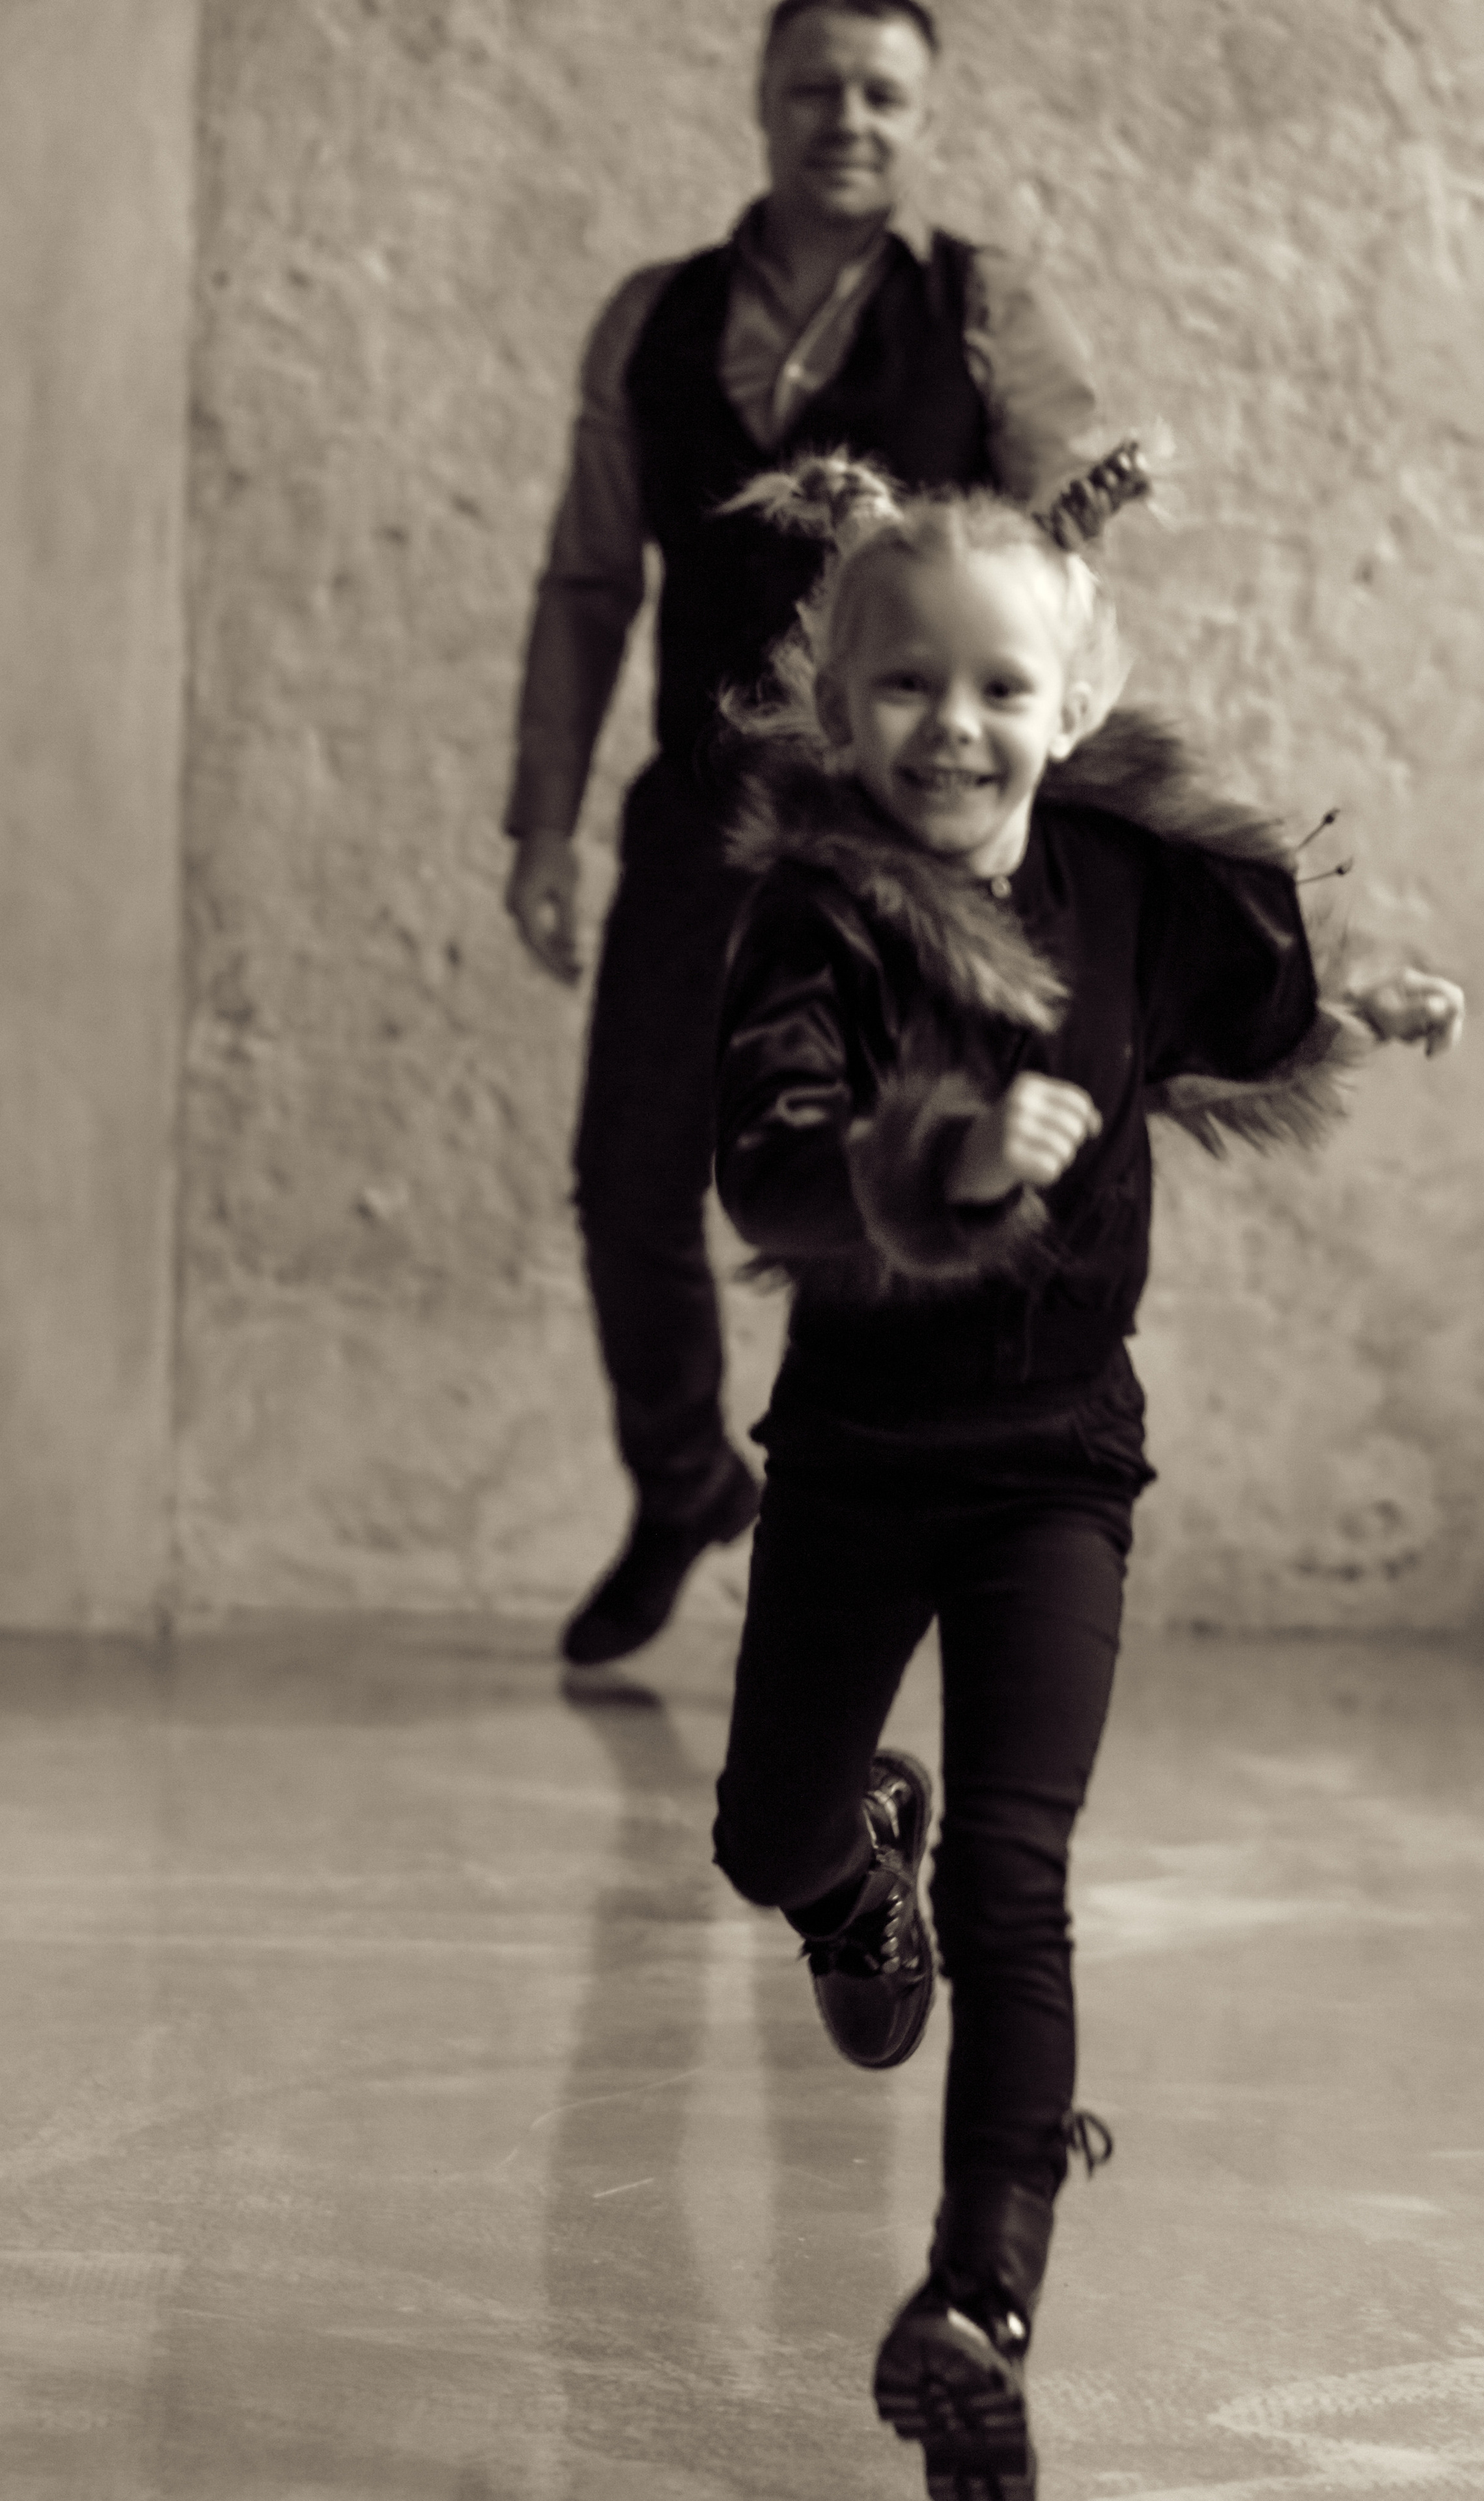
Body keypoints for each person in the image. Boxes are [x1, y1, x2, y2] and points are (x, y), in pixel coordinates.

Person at [707, 445, 1465, 2497]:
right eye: (903, 689)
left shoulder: (1130, 884)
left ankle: (978, 2305)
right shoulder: (818, 920)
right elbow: (772, 1165)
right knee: (759, 1829)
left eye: (997, 689)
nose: (952, 728)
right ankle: (844, 1868)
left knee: (1021, 1877)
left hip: (1058, 1461)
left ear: (1073, 697)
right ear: (835, 702)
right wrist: (933, 1161)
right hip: (864, 1453)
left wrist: (1358, 997)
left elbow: (1243, 1007)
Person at [503, 0, 1110, 1697]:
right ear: (763, 104)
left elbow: (1069, 576)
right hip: (700, 824)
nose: (847, 116)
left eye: (882, 91)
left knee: (881, 1172)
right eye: (815, 88)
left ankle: (873, 1534)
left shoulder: (984, 312)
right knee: (631, 1179)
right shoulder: (654, 318)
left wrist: (1061, 809)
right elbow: (584, 587)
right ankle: (690, 1480)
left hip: (915, 849)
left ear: (925, 114)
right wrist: (542, 819)